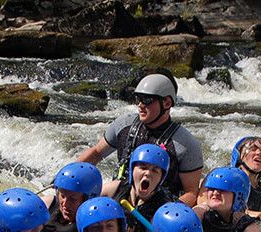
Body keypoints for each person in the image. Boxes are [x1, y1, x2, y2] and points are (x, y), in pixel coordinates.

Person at [76, 72, 203, 206]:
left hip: (159, 207)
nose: (141, 105)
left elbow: (192, 193)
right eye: (138, 99)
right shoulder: (124, 125)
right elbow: (96, 153)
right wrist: (68, 180)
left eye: (147, 100)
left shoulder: (186, 144)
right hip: (120, 198)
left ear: (166, 103)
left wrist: (165, 214)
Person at [102, 143, 174, 232]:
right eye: (143, 168)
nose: (148, 173)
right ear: (132, 170)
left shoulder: (164, 209)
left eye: (155, 170)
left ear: (161, 178)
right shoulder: (115, 188)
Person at [41, 162, 103, 232]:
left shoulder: (95, 228)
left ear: (88, 199)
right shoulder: (47, 204)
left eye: (73, 199)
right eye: (62, 196)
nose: (65, 204)